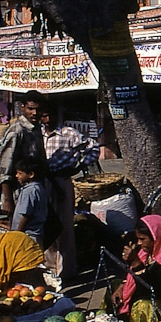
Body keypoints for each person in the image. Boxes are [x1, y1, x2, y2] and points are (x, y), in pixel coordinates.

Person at [40, 105, 98, 280]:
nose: (48, 119)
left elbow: (93, 148)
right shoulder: (36, 134)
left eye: (50, 115)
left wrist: (77, 167)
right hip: (42, 182)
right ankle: (50, 270)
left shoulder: (69, 133)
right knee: (46, 226)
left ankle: (66, 272)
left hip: (61, 180)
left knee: (64, 226)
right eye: (44, 116)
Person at [0, 90, 45, 215]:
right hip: (18, 191)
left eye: (38, 110)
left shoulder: (36, 129)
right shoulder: (17, 131)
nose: (35, 113)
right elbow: (4, 167)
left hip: (34, 188)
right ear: (22, 107)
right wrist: (7, 200)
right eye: (31, 109)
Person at [11, 157, 50, 249]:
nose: (16, 176)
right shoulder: (39, 188)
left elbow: (26, 215)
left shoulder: (29, 191)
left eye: (20, 173)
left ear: (31, 174)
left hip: (28, 235)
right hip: (36, 234)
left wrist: (17, 233)